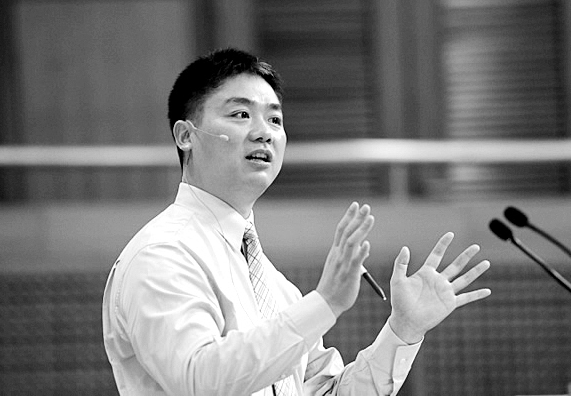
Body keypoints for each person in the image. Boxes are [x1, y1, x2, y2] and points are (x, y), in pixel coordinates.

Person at [102, 48, 491, 396]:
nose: (263, 133)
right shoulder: (163, 254)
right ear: (186, 135)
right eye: (241, 114)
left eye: (274, 119)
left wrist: (402, 331)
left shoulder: (276, 287)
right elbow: (197, 379)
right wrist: (325, 304)